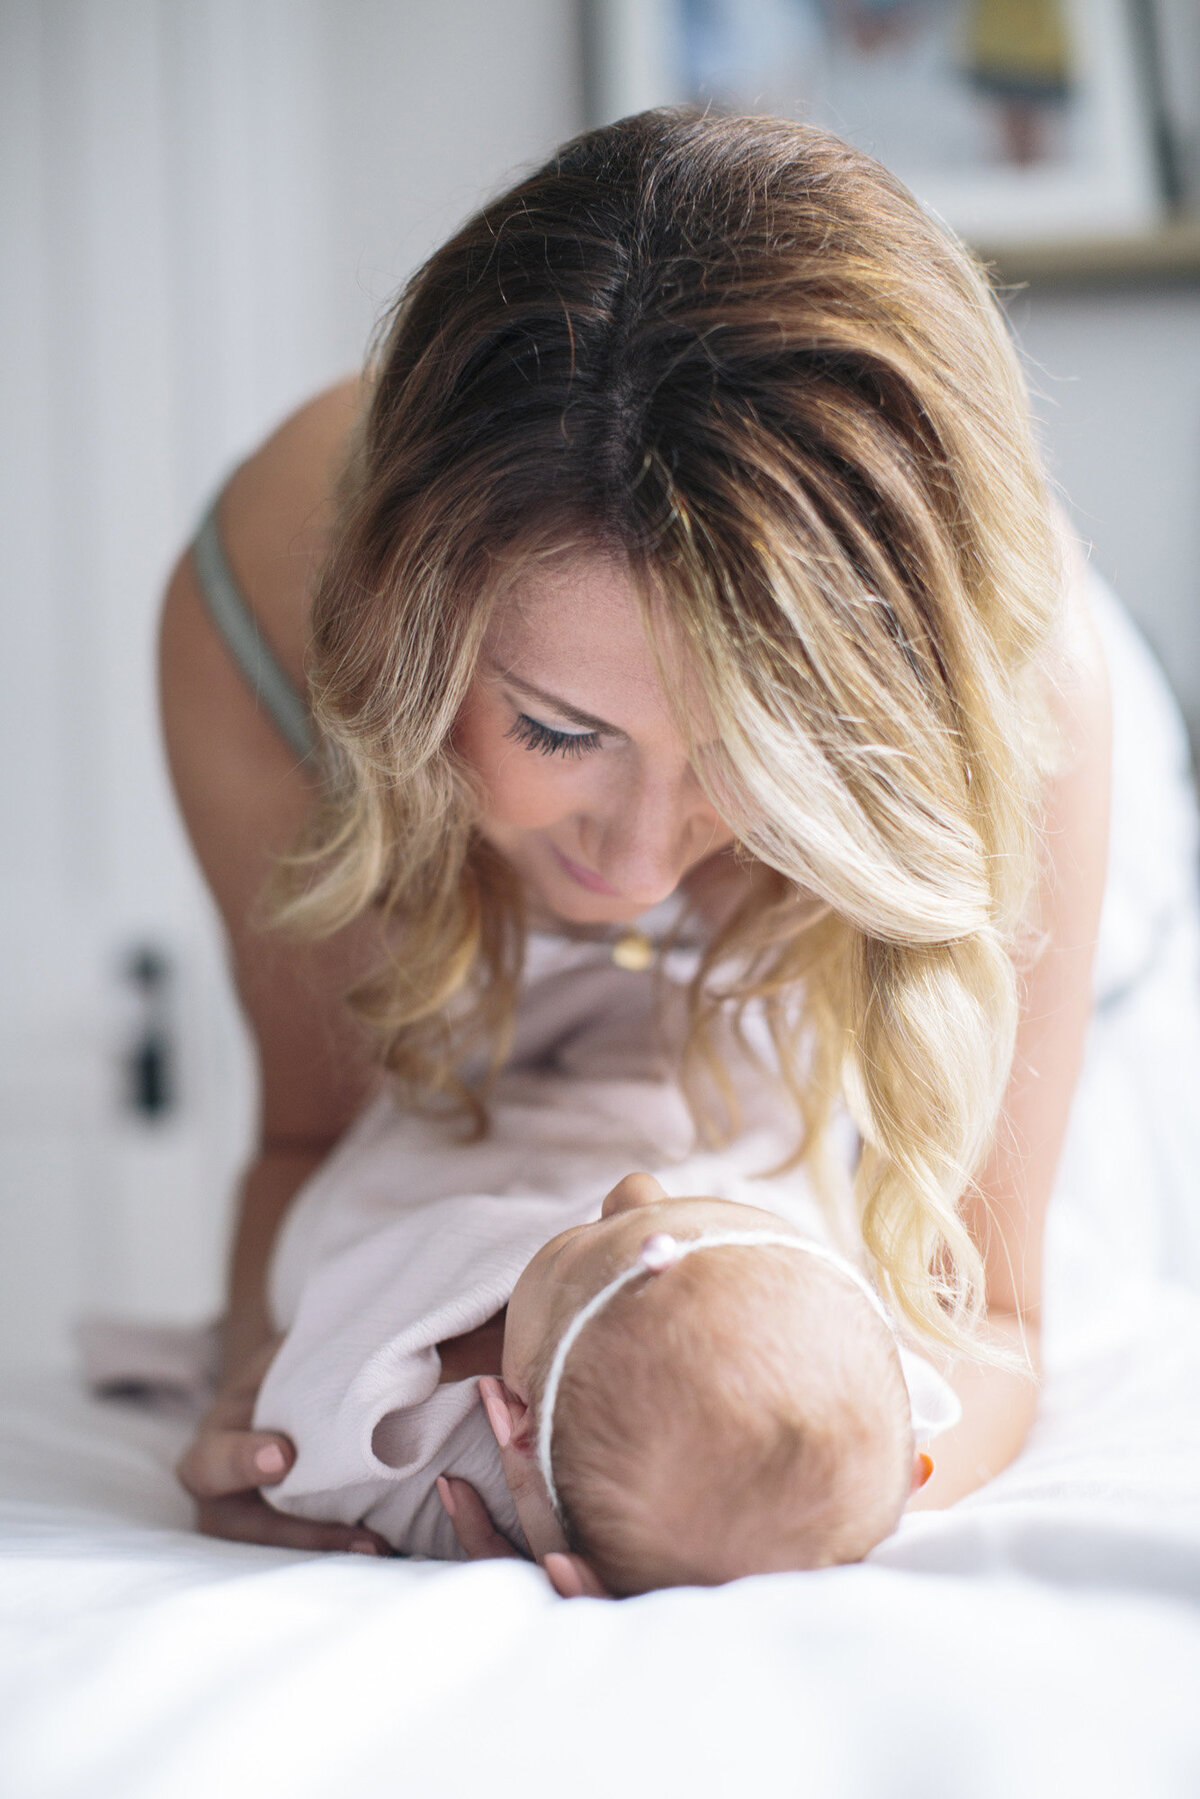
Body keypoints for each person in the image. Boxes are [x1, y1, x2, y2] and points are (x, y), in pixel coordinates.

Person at [161, 107, 1110, 1558]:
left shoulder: (1017, 678)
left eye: (758, 761)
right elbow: (309, 1131)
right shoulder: (255, 614)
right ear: (406, 646)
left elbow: (997, 1310)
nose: (648, 856)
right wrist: (262, 1399)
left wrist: (724, 1501)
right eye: (555, 728)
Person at [250, 1036, 959, 1592]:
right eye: (683, 1210)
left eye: (574, 1249)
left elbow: (307, 1418)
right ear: (911, 1470)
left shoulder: (420, 1449)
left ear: (514, 1422)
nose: (633, 1187)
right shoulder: (850, 1390)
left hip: (463, 1128)